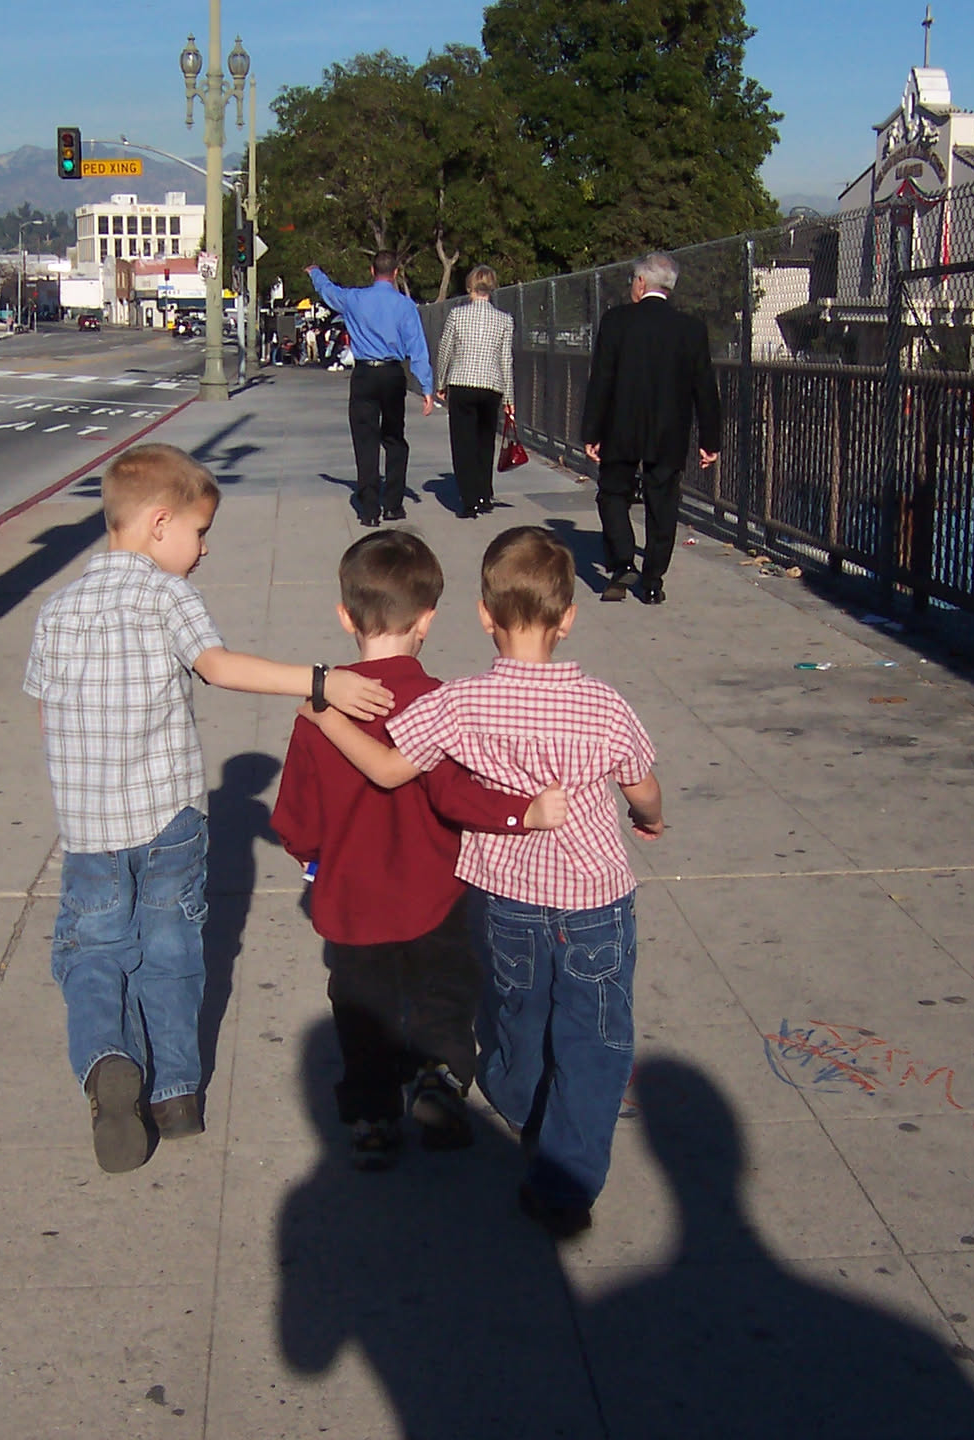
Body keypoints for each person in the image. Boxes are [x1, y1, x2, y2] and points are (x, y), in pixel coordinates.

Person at [24, 443, 395, 1175]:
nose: (203, 550)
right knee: (171, 951)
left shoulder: (56, 610)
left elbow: (45, 714)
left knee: (94, 954)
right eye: (199, 533)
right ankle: (176, 1096)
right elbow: (218, 668)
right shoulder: (167, 597)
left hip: (90, 831)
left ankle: (107, 1063)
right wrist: (320, 680)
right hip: (169, 819)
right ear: (159, 523)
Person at [304, 526, 665, 1239]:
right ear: (568, 618)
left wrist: (324, 716)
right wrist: (648, 818)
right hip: (595, 900)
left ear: (482, 615)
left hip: (506, 898)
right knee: (595, 1037)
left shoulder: (461, 703)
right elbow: (642, 786)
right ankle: (565, 1178)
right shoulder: (604, 704)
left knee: (517, 1015)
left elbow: (388, 770)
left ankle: (519, 1099)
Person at [271, 531, 568, 1169]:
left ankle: (372, 1119)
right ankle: (439, 1073)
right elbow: (461, 794)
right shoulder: (440, 703)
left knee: (362, 1008)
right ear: (427, 620)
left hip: (353, 896)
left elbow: (296, 818)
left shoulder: (319, 715)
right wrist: (521, 813)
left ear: (345, 616)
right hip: (438, 885)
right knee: (446, 986)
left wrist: (312, 856)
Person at [580, 252, 722, 605]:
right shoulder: (691, 329)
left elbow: (601, 380)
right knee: (663, 503)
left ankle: (623, 560)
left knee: (613, 493)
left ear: (641, 282)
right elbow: (704, 387)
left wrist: (592, 431)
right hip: (669, 429)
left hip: (621, 425)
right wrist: (710, 439)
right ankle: (653, 580)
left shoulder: (616, 322)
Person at [307, 253, 435, 527]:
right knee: (394, 437)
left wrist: (315, 272)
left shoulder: (355, 299)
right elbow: (417, 347)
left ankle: (369, 509)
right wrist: (426, 387)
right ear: (396, 273)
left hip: (365, 373)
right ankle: (393, 504)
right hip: (392, 374)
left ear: (371, 270)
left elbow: (329, 292)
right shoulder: (405, 305)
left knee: (365, 439)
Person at [433, 265, 516, 519]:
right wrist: (509, 397)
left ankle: (469, 500)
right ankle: (484, 493)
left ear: (470, 286)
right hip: (491, 385)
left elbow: (445, 350)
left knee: (463, 442)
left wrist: (440, 382)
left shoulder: (457, 315)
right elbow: (506, 360)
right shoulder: (504, 319)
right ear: (492, 287)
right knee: (484, 441)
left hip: (462, 382)